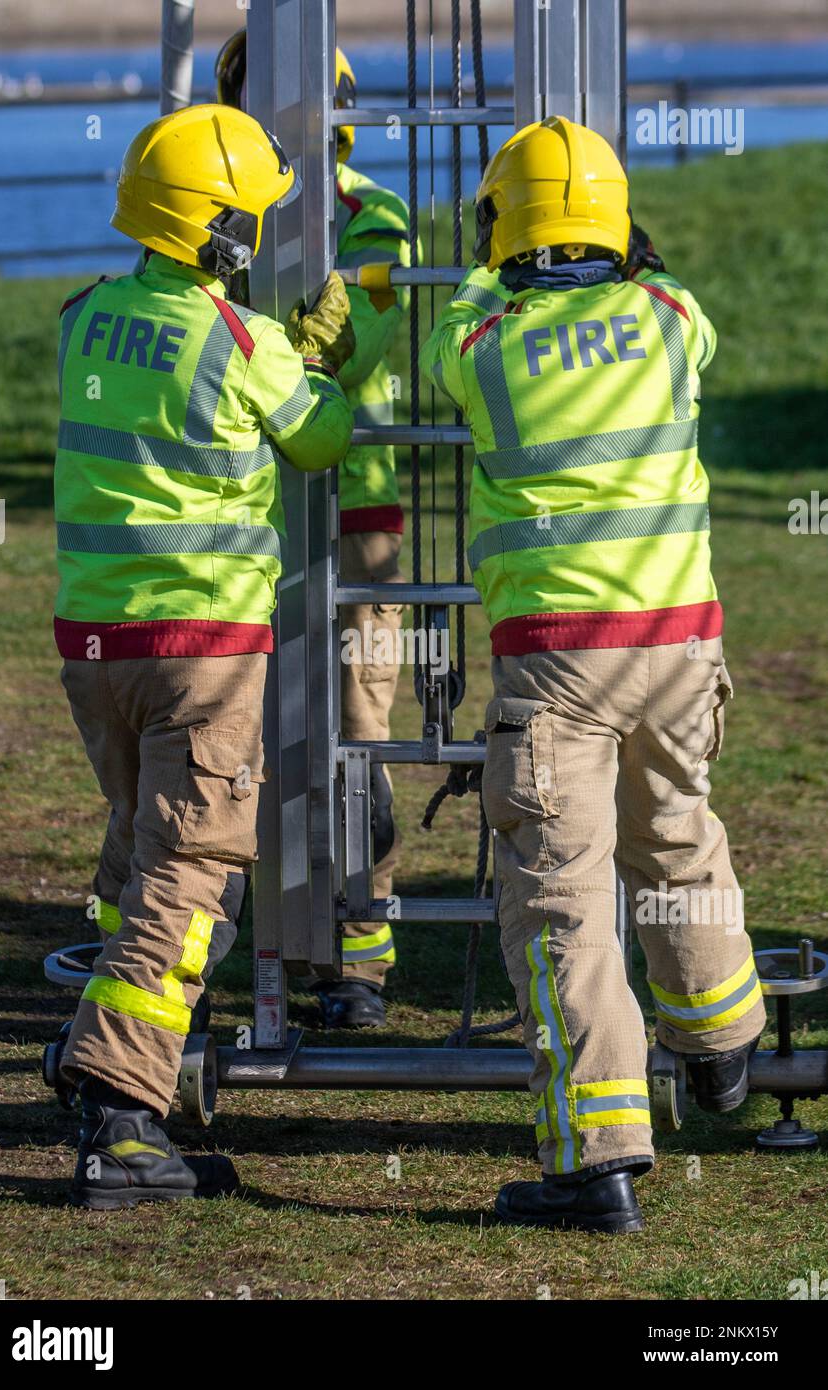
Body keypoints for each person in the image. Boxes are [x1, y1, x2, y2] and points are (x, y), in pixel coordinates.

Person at [420, 115, 765, 1233]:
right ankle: (719, 1047)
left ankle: (597, 1157)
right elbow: (675, 304)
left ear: (501, 226)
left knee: (563, 897)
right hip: (678, 643)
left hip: (559, 659)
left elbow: (454, 329)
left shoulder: (483, 344)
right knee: (678, 836)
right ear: (615, 223)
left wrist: (485, 259)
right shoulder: (669, 320)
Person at [54, 102, 355, 1208]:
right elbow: (318, 437)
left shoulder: (83, 318)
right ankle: (120, 1111)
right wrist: (315, 357)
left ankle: (102, 1058)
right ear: (219, 235)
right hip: (203, 647)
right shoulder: (241, 342)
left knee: (140, 854)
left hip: (97, 644)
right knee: (187, 873)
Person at [216, 36, 417, 1027]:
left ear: (334, 106)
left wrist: (247, 351)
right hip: (244, 516)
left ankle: (358, 961)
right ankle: (245, 940)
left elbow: (350, 338)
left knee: (357, 734)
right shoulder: (214, 215)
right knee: (237, 733)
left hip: (354, 510)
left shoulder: (376, 216)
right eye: (258, 97)